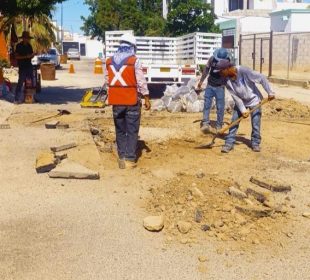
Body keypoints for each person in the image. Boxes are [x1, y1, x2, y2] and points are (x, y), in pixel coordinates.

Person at [106, 33, 151, 169]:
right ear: (132, 46)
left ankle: (121, 156)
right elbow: (141, 81)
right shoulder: (134, 61)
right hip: (131, 100)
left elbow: (107, 80)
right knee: (132, 130)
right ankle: (130, 159)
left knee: (120, 129)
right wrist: (146, 97)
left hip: (116, 101)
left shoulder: (108, 61)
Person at [215, 59, 275, 153]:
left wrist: (270, 92)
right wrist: (243, 110)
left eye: (221, 71)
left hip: (254, 100)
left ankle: (255, 143)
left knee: (255, 123)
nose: (220, 74)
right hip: (241, 102)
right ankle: (229, 143)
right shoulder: (226, 80)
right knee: (234, 121)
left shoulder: (243, 71)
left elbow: (261, 78)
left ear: (227, 68)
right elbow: (235, 96)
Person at [197, 48, 230, 133]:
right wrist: (201, 81)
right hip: (210, 85)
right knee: (207, 105)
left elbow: (230, 74)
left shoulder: (228, 62)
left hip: (220, 87)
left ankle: (219, 126)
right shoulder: (212, 59)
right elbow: (206, 70)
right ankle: (205, 124)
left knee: (220, 107)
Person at [14, 31, 35, 104]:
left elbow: (30, 56)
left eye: (27, 38)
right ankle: (16, 99)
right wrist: (26, 56)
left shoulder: (29, 46)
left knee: (30, 83)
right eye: (25, 38)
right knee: (20, 82)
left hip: (29, 65)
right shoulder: (18, 46)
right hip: (22, 67)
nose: (26, 39)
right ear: (23, 38)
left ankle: (29, 98)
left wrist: (32, 55)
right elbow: (16, 57)